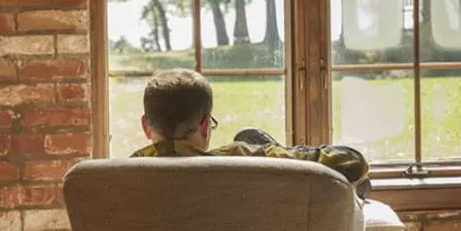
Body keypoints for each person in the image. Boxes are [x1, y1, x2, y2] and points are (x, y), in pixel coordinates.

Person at [131, 68, 370, 193]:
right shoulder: (244, 159)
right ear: (205, 126)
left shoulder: (120, 178)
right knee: (253, 141)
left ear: (145, 126)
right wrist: (279, 154)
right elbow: (353, 162)